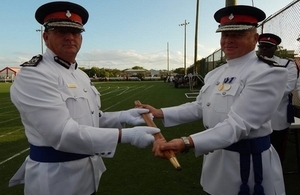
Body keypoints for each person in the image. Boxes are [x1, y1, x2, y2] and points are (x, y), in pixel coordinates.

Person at [8, 2, 160, 195]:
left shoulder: (81, 75)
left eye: (76, 32)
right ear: (46, 37)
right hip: (55, 181)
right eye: (61, 31)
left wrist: (123, 116)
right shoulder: (34, 74)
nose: (70, 37)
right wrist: (125, 136)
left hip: (88, 175)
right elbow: (62, 133)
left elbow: (91, 118)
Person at [139, 5, 288, 195]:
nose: (228, 40)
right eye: (224, 34)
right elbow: (200, 107)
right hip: (216, 159)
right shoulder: (215, 73)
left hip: (248, 165)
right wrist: (159, 113)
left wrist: (185, 142)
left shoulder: (268, 73)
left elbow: (238, 125)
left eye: (238, 34)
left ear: (255, 38)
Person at [257, 33, 298, 163]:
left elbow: (287, 87)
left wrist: (257, 94)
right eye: (261, 46)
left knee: (276, 153)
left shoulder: (287, 64)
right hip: (253, 117)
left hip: (277, 117)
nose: (264, 49)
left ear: (275, 48)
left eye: (268, 46)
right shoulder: (250, 63)